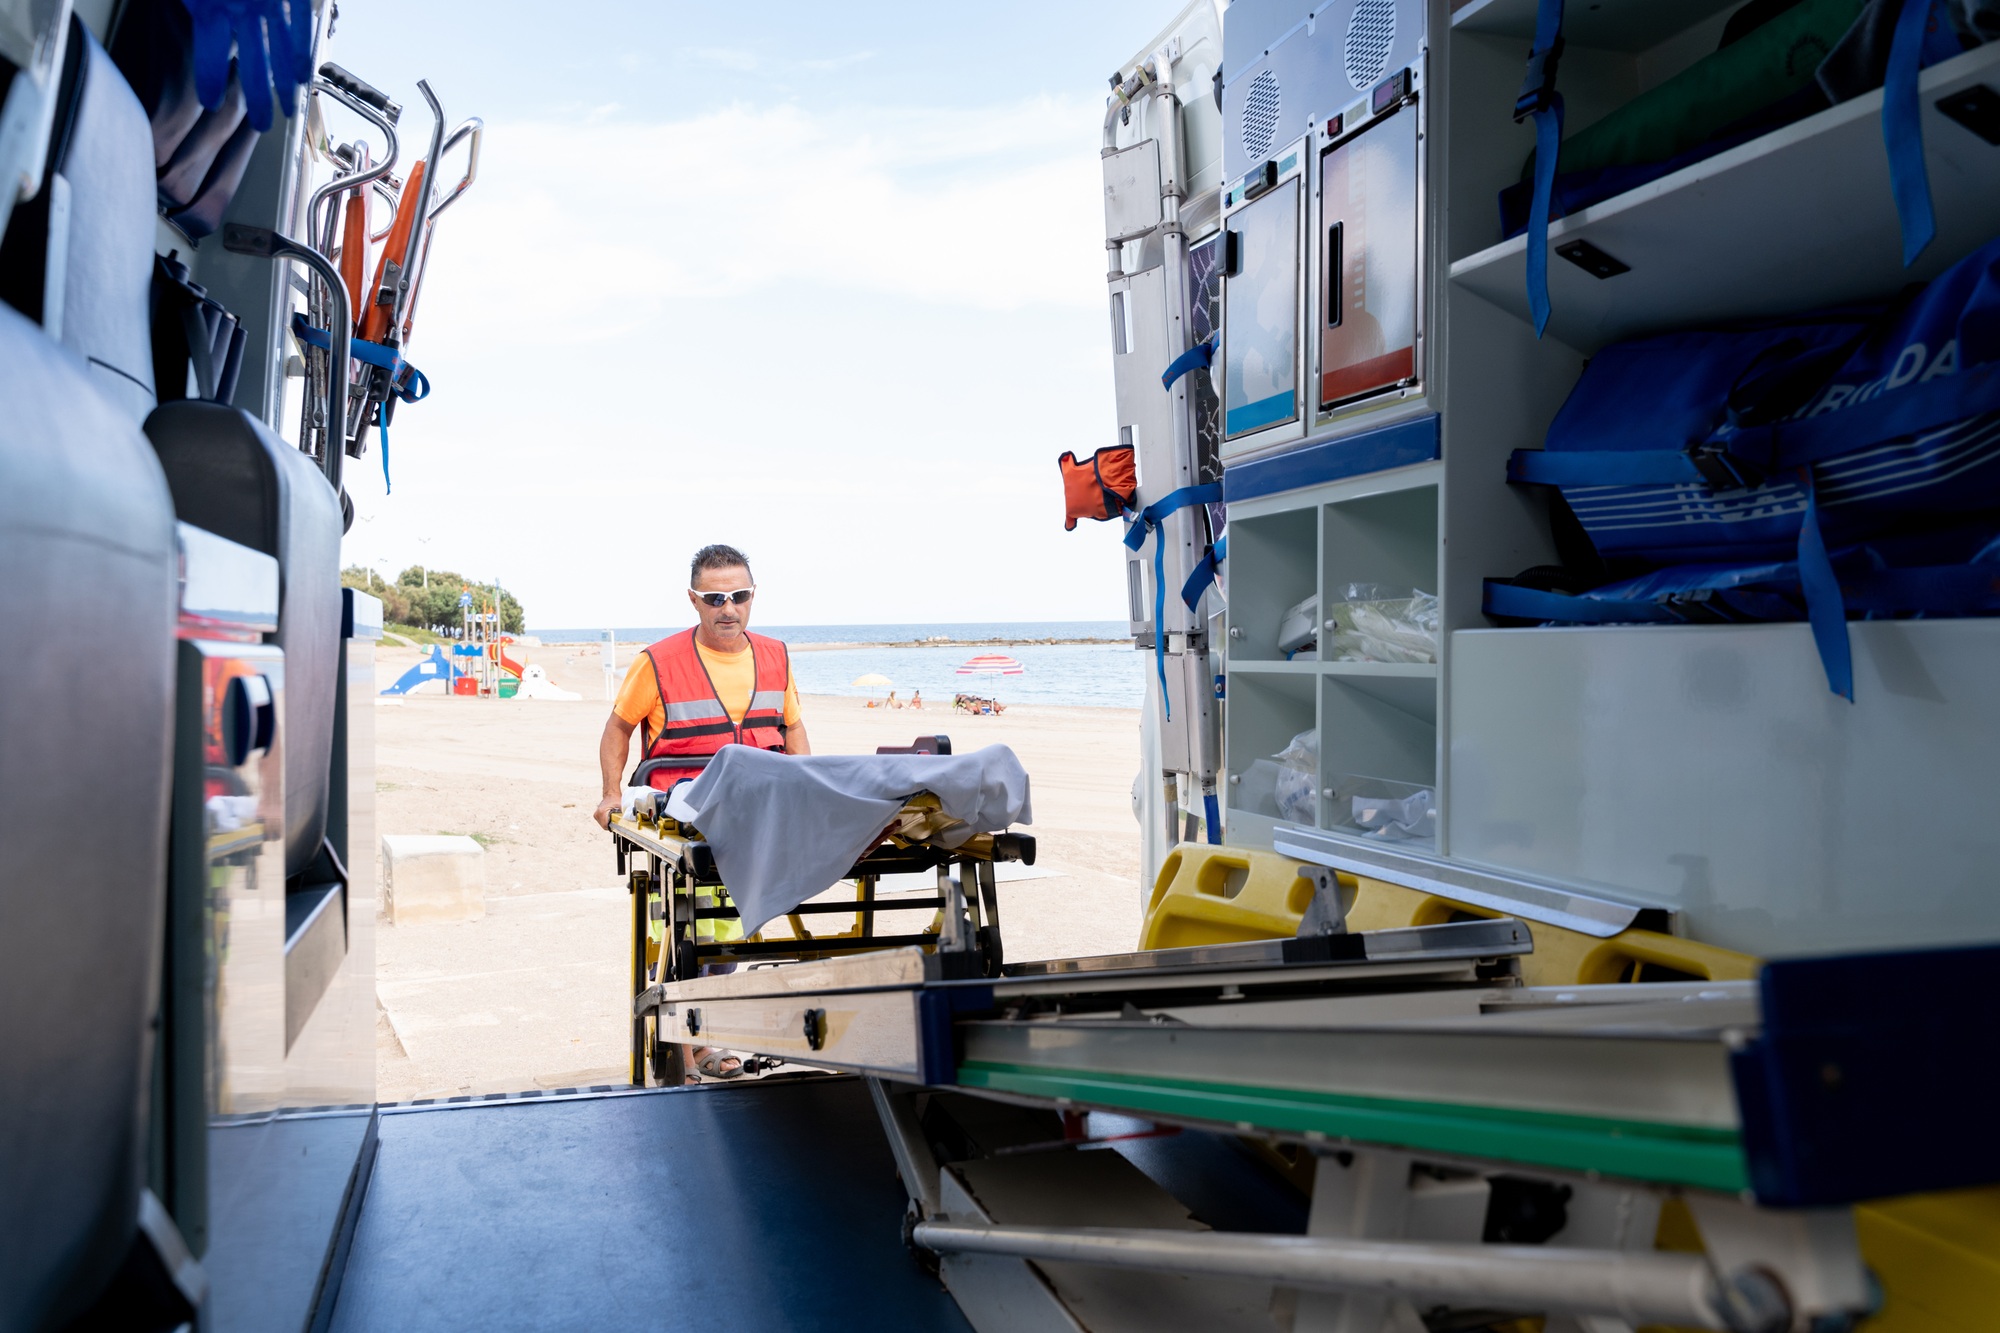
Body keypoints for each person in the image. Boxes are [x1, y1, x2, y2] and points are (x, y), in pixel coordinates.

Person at [592, 544, 811, 1081]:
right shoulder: (658, 661)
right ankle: (685, 1051)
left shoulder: (776, 655)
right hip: (683, 814)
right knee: (688, 934)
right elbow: (619, 728)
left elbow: (793, 729)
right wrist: (610, 793)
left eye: (738, 596)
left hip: (756, 814)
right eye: (715, 598)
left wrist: (809, 787)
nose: (728, 608)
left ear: (752, 596)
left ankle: (703, 1039)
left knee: (728, 937)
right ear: (694, 600)